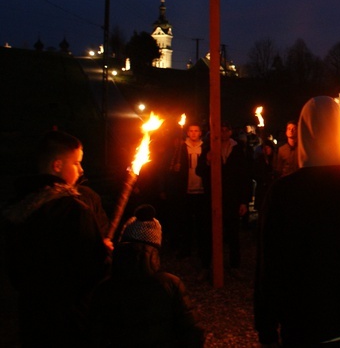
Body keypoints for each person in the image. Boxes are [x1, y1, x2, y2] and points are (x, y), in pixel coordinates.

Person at [254, 96, 340, 347]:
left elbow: (270, 266)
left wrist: (267, 327)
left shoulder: (283, 192)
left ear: (304, 133)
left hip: (302, 322)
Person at [2, 130, 110, 346]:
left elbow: (14, 271)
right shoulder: (74, 209)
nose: (81, 169)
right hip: (70, 319)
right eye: (77, 163)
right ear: (57, 166)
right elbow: (91, 272)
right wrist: (104, 252)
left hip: (32, 317)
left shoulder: (17, 209)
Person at [90, 204, 205, 347]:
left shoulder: (104, 288)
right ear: (155, 249)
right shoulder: (171, 285)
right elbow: (192, 332)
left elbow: (93, 334)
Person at [197, 121, 252, 274]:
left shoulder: (238, 149)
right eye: (219, 130)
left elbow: (244, 176)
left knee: (233, 233)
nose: (222, 133)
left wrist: (243, 201)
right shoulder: (208, 148)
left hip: (232, 197)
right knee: (209, 232)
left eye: (225, 130)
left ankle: (235, 266)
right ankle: (206, 265)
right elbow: (199, 170)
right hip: (212, 196)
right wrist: (207, 160)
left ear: (230, 132)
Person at [169, 122, 211, 277]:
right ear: (187, 132)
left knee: (202, 223)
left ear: (200, 133)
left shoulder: (205, 147)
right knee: (185, 222)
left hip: (201, 190)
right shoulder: (181, 148)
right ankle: (185, 249)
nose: (193, 133)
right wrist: (175, 169)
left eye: (196, 131)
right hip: (186, 190)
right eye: (191, 131)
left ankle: (202, 251)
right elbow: (172, 166)